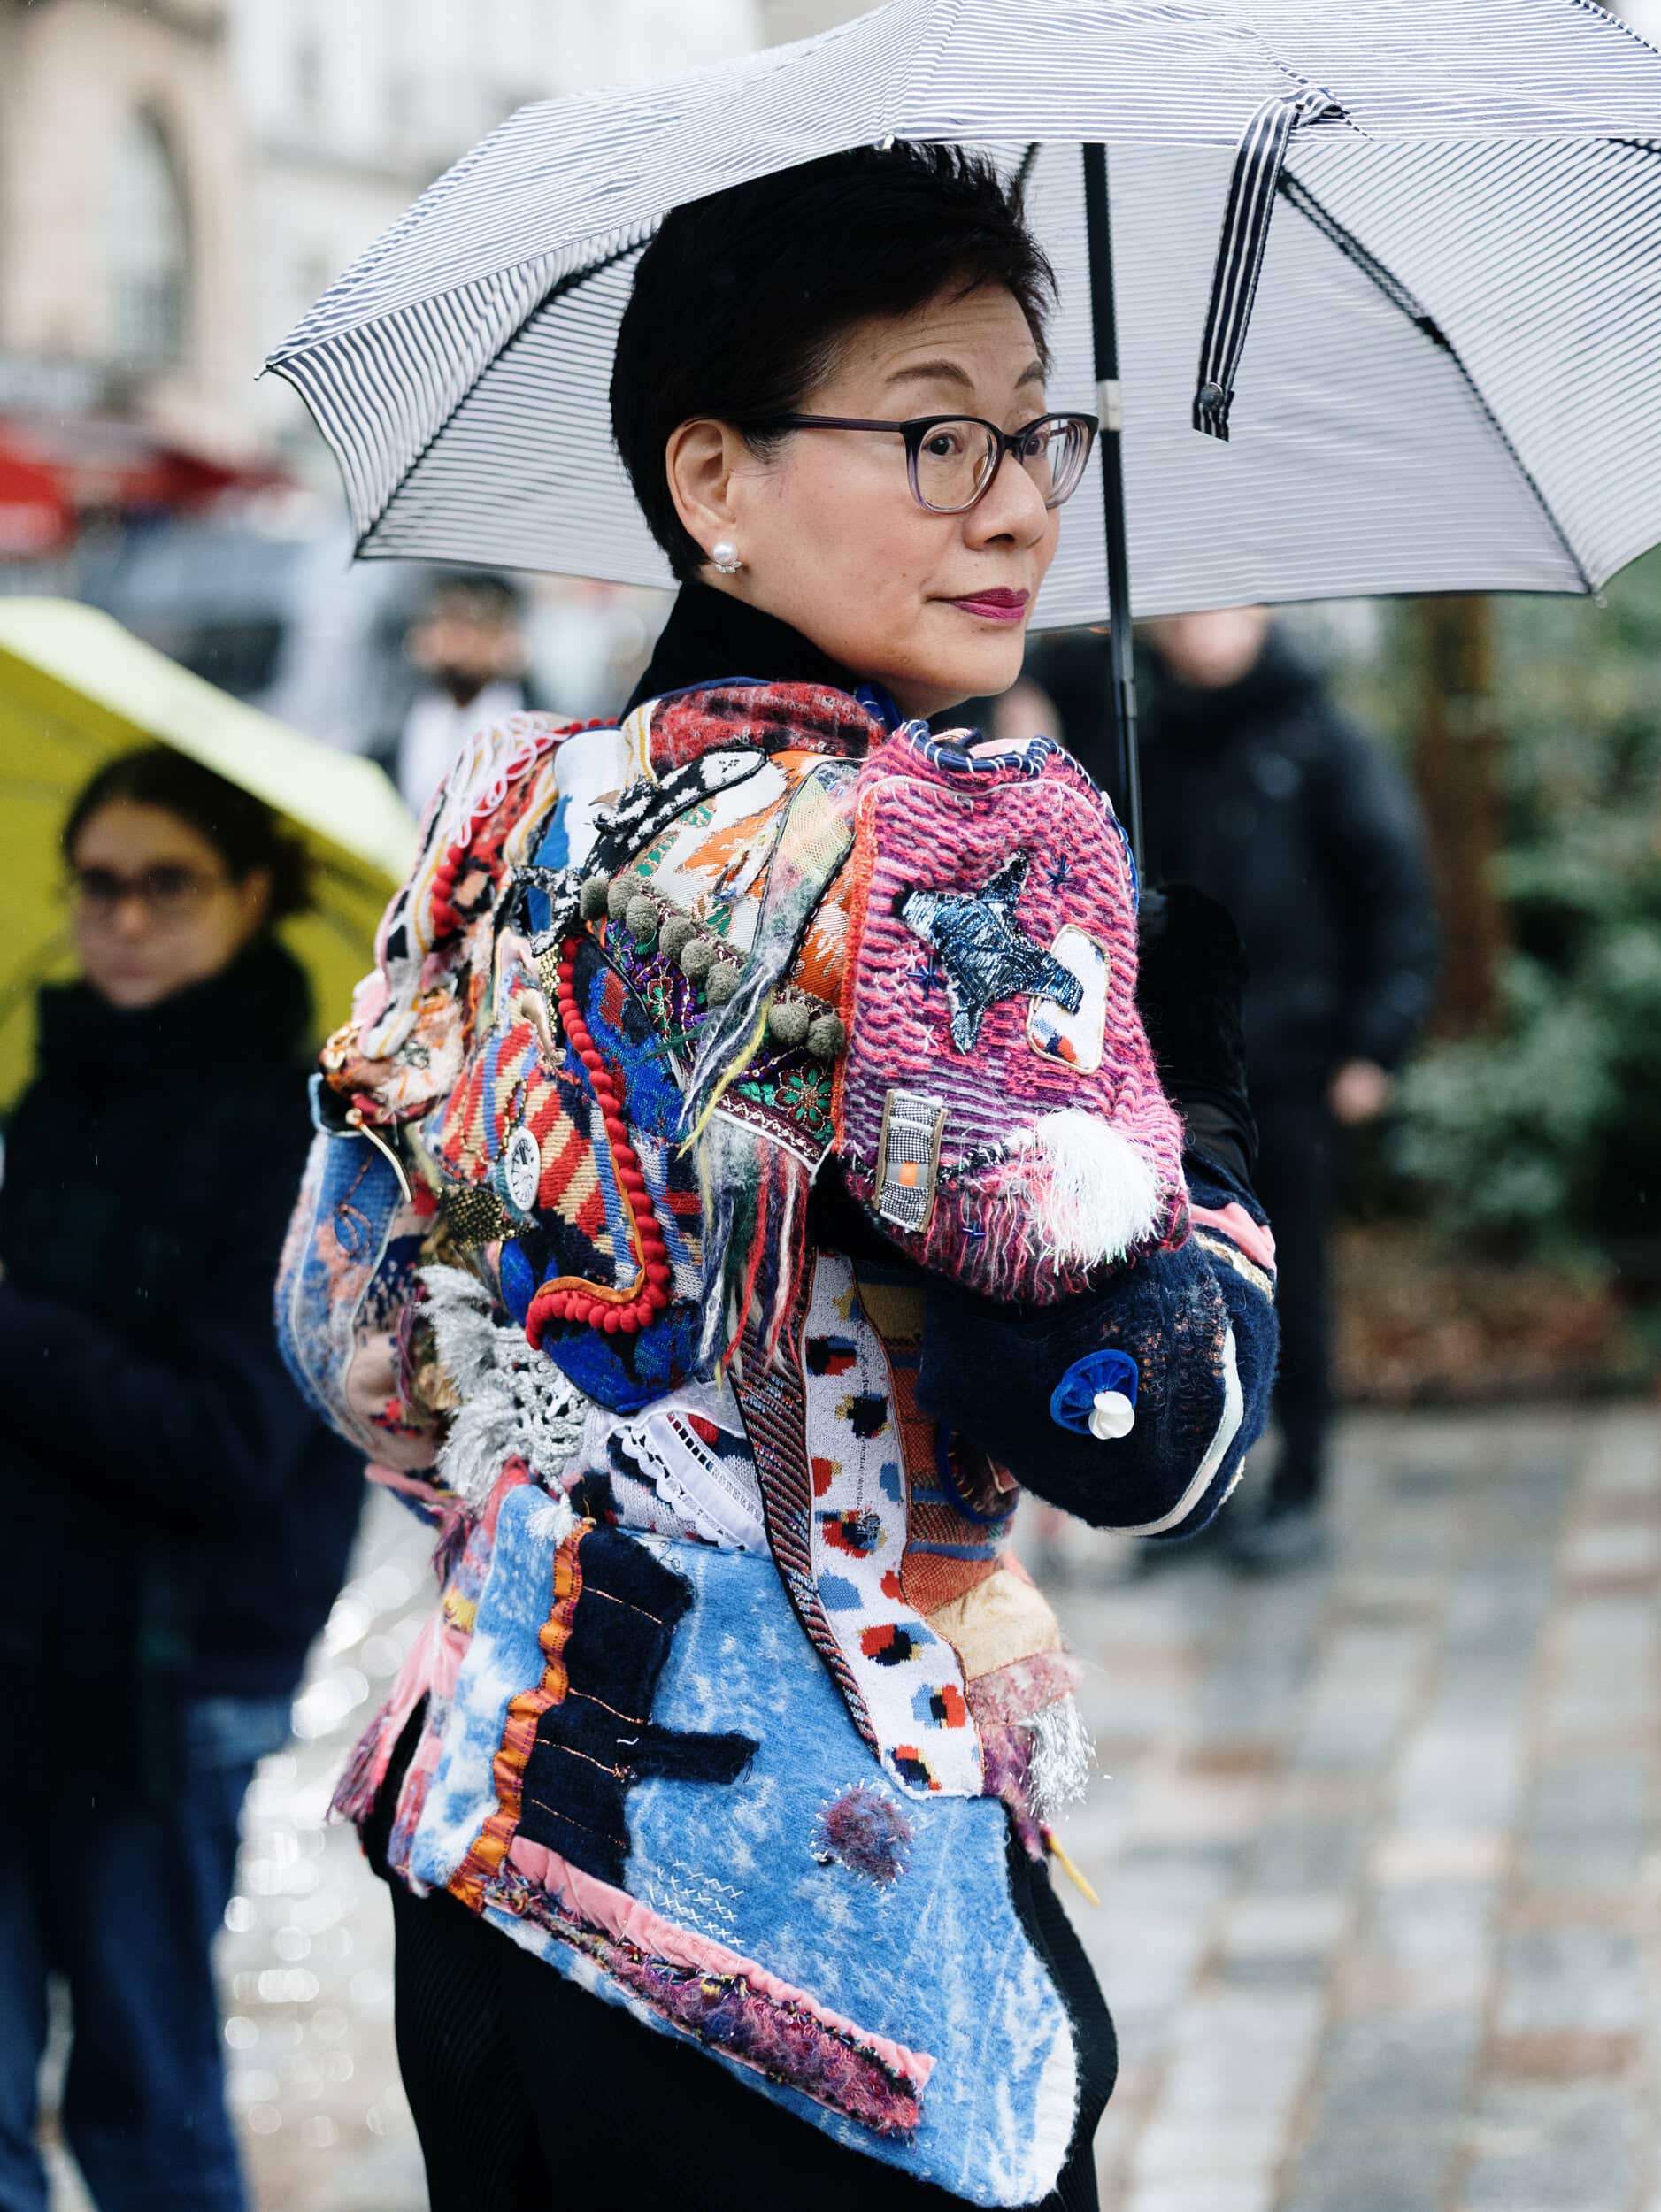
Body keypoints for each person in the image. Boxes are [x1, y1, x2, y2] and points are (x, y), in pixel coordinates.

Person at [281, 145, 1279, 2211]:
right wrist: (1199, 1134)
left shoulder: (507, 807)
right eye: (932, 434)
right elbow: (1125, 1427)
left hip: (483, 1864)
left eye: (1032, 434)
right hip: (817, 1973)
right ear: (711, 478)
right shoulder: (948, 848)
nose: (1014, 507)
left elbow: (353, 1353)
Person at [0, 749, 365, 2212]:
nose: (127, 920)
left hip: (173, 1678)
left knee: (144, 2094)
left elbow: (231, 1444)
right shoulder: (50, 1092)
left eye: (169, 884)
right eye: (99, 886)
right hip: (15, 1638)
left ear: (254, 891)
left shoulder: (307, 1138)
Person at [1138, 607, 1438, 1571]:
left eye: (1216, 610)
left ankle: (1298, 1482)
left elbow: (1394, 894)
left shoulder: (1322, 742)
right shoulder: (1147, 738)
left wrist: (1374, 1045)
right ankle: (1201, 1488)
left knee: (1290, 1278)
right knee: (1181, 1276)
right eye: (1180, 616)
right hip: (1172, 1071)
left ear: (1258, 612)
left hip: (1293, 1065)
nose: (1198, 633)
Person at [393, 570, 538, 817]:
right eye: (439, 620)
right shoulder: (398, 717)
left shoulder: (536, 732)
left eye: (469, 621)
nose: (449, 637)